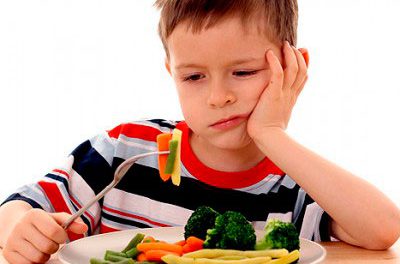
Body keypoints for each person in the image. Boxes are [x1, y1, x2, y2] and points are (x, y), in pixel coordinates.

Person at [1, 0, 400, 263]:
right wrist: (21, 227)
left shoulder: (295, 186)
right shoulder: (122, 151)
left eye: (243, 72)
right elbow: (16, 207)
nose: (218, 97)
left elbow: (382, 229)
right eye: (193, 76)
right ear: (170, 73)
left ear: (291, 67)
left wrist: (271, 132)